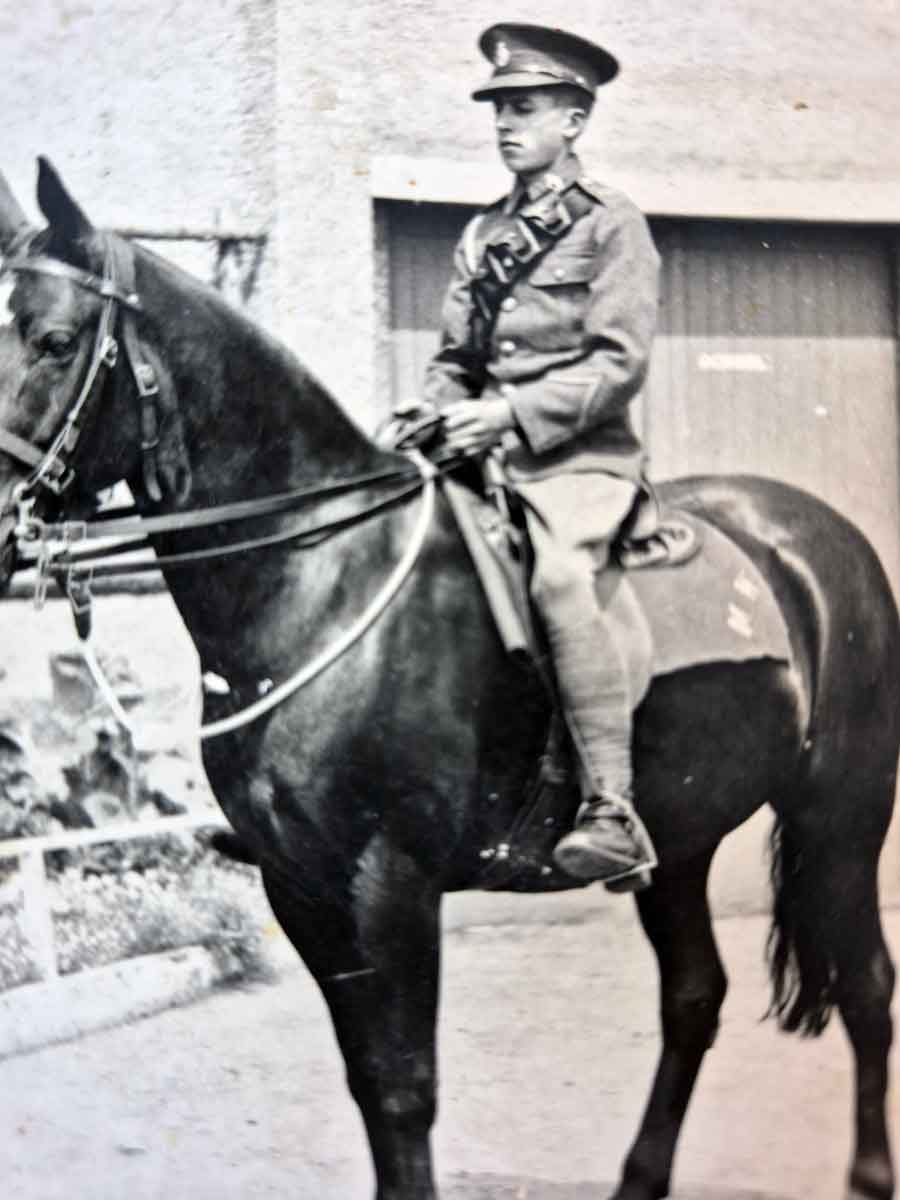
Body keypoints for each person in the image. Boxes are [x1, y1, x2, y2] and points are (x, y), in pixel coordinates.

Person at [398, 23, 661, 891]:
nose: (506, 125)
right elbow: (452, 361)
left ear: (575, 121)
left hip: (579, 465)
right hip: (485, 459)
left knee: (556, 579)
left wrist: (505, 415)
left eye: (526, 108)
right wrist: (431, 412)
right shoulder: (481, 236)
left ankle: (612, 811)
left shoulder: (610, 226)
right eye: (499, 110)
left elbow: (618, 364)